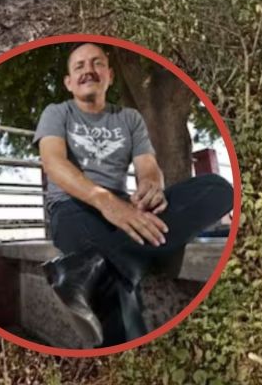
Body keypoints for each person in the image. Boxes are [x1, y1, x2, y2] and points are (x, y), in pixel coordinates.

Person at [34, 43, 232, 347]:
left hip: (126, 207)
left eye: (97, 63)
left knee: (218, 189)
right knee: (115, 287)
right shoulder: (57, 113)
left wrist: (152, 187)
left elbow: (148, 167)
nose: (89, 70)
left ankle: (83, 268)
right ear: (68, 82)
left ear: (110, 75)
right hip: (73, 207)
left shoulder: (130, 119)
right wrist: (106, 202)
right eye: (79, 66)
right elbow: (54, 163)